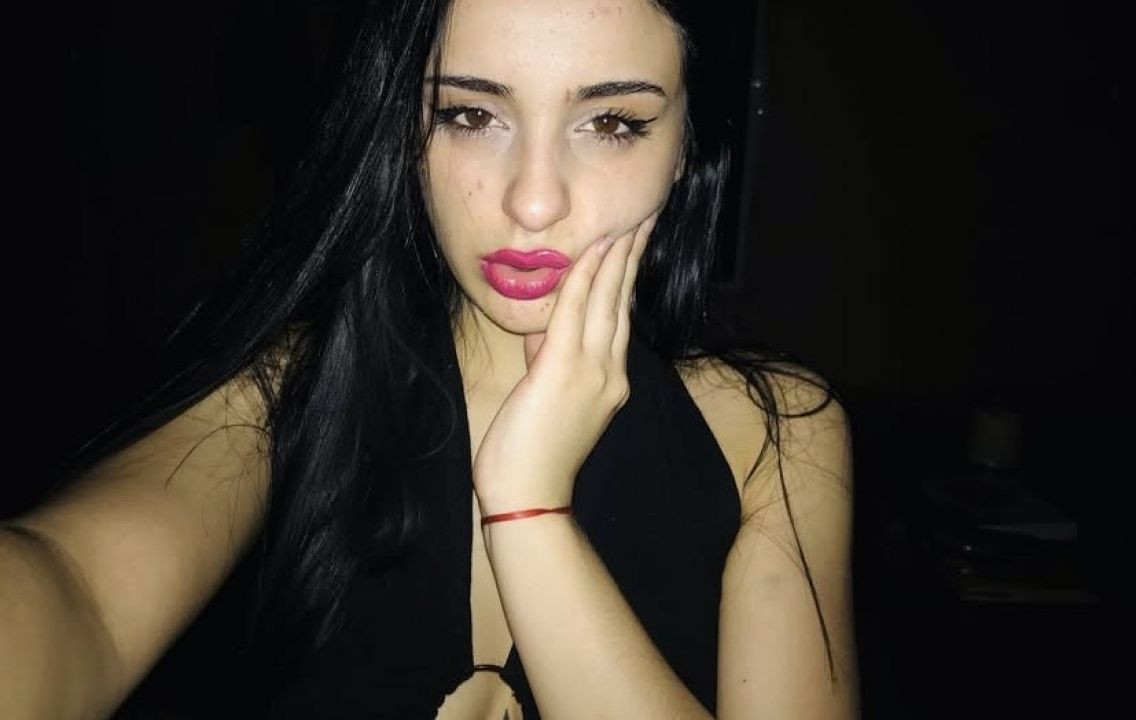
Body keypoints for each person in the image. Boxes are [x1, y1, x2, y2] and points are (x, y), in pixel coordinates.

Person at [2, 0, 856, 717]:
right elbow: (79, 592)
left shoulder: (775, 435)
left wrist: (530, 510)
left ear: (686, 146)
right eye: (470, 115)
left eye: (610, 123)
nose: (533, 201)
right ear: (405, 133)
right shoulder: (286, 394)